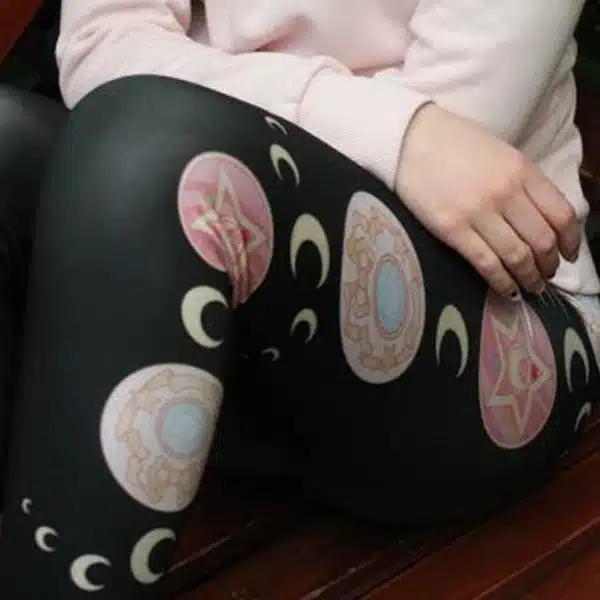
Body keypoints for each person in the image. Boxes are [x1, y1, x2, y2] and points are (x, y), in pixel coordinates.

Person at [1, 0, 599, 597]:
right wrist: (399, 128)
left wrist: (199, 103)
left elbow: (453, 160)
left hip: (482, 337)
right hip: (207, 315)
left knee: (173, 165)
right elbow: (103, 41)